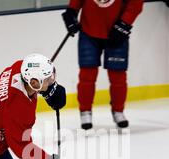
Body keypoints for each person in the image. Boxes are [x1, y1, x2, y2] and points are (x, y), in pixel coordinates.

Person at [62, 0, 144, 130]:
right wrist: (71, 12)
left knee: (118, 76)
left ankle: (118, 111)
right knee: (87, 75)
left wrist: (124, 23)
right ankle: (85, 111)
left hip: (117, 31)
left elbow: (135, 4)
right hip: (89, 31)